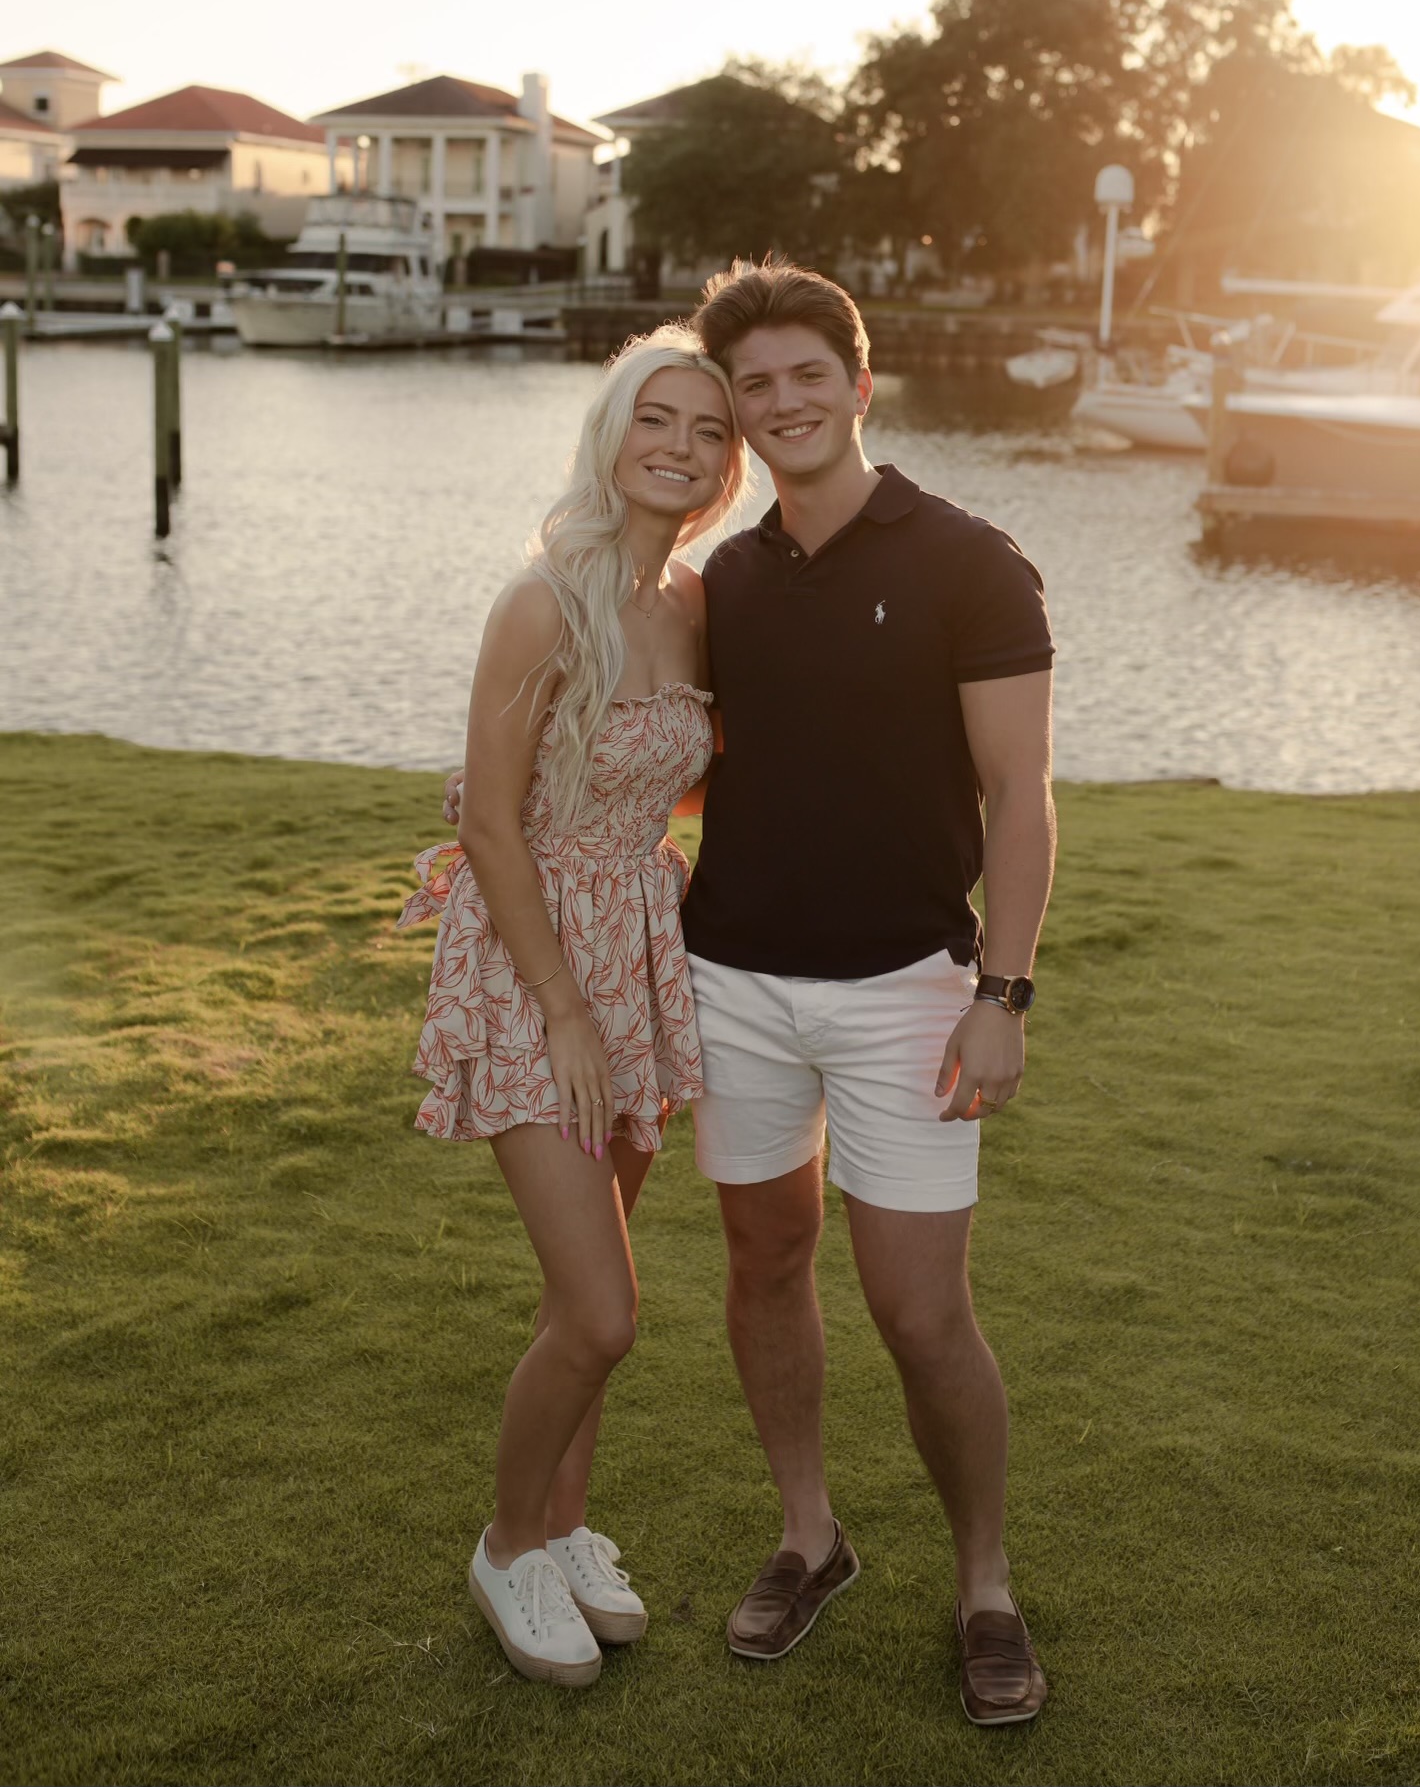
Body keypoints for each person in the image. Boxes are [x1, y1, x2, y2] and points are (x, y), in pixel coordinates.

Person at [682, 259, 1056, 1727]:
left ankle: (984, 1583)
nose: (781, 404)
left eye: (803, 375)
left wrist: (1002, 992)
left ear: (860, 379)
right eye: (753, 387)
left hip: (912, 987)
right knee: (763, 1261)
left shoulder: (973, 559)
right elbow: (659, 740)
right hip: (734, 986)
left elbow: (1020, 796)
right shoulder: (723, 578)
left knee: (919, 1310)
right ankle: (809, 1535)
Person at [400, 326, 745, 1688]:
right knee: (603, 1310)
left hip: (639, 944)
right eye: (655, 417)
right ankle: (503, 1544)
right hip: (533, 963)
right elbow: (491, 824)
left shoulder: (697, 602)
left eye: (707, 430)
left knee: (576, 1286)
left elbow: (679, 772)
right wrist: (563, 1009)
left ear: (728, 463)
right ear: (611, 432)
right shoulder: (542, 598)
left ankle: (564, 1528)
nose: (681, 444)